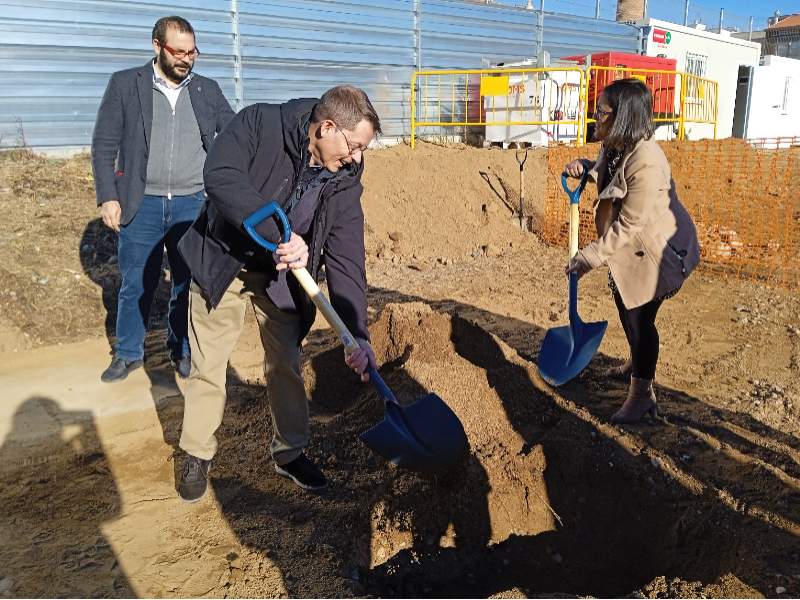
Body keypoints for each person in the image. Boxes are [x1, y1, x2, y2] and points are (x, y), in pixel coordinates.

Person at [174, 85, 381, 502]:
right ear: (326, 127)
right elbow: (220, 175)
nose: (357, 157)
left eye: (362, 149)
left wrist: (357, 331)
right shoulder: (260, 123)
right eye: (355, 146)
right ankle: (197, 451)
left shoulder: (345, 176)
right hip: (224, 259)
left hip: (283, 275)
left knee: (286, 360)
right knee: (209, 362)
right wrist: (278, 233)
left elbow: (345, 253)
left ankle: (289, 452)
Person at [91, 16, 235, 382]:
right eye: (178, 51)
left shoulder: (207, 90)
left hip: (192, 203)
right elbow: (104, 143)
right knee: (136, 281)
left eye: (192, 52)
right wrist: (109, 196)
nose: (186, 59)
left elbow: (233, 136)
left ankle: (181, 349)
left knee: (186, 283)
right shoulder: (126, 85)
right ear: (157, 46)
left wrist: (217, 184)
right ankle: (127, 353)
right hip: (142, 203)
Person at [564, 78, 700, 424]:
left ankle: (642, 394)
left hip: (660, 253)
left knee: (641, 319)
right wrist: (586, 166)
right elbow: (608, 174)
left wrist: (590, 256)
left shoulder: (647, 161)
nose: (595, 116)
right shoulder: (614, 143)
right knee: (623, 302)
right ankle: (634, 364)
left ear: (623, 116)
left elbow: (630, 226)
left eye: (602, 111)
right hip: (631, 250)